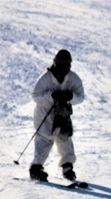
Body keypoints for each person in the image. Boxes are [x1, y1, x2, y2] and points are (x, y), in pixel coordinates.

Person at [29, 49, 85, 182]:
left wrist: (70, 96)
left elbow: (80, 96)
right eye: (59, 66)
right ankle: (36, 167)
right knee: (45, 138)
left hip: (62, 114)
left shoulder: (73, 78)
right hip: (45, 114)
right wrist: (51, 96)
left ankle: (67, 166)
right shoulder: (46, 78)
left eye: (64, 67)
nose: (61, 69)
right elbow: (36, 96)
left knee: (64, 136)